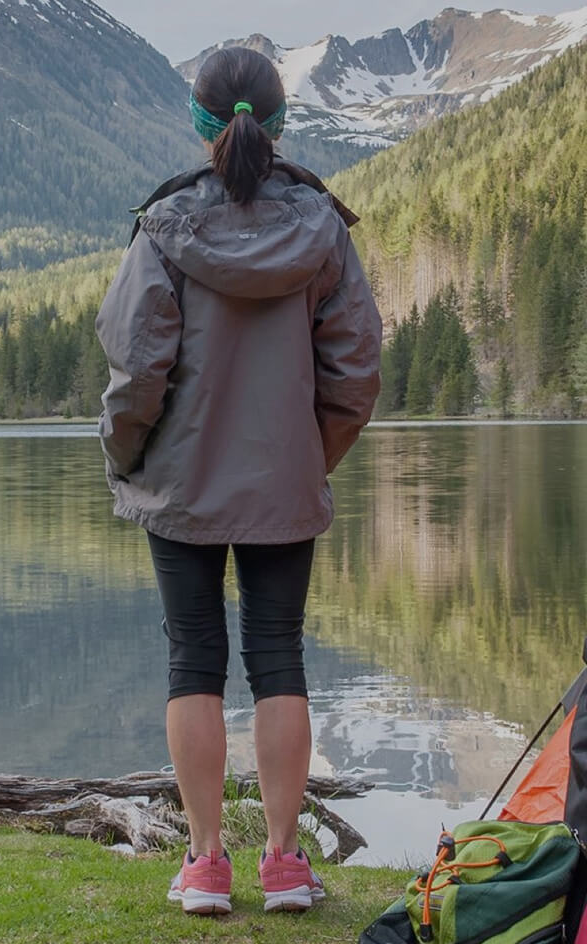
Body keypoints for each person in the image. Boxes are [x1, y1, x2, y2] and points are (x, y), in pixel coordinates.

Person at [95, 45, 383, 916]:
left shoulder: (167, 226)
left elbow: (137, 367)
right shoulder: (323, 227)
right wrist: (308, 455)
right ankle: (287, 865)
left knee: (194, 662)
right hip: (282, 485)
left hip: (180, 484)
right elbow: (356, 371)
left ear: (200, 122)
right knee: (279, 658)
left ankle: (207, 863)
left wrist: (125, 450)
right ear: (278, 120)